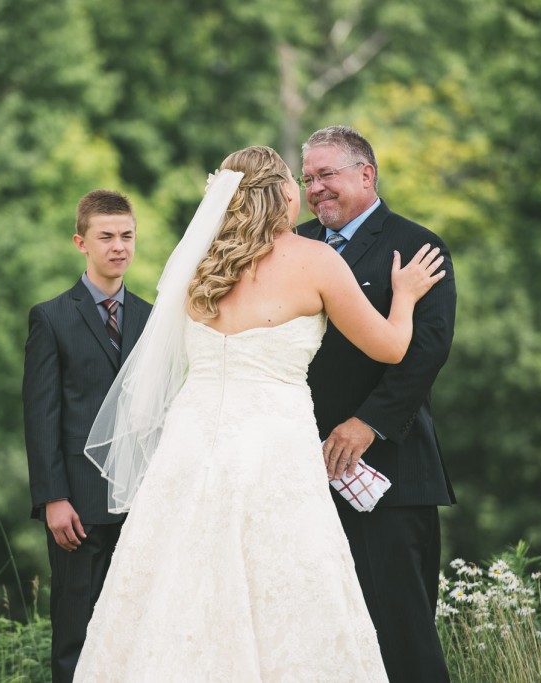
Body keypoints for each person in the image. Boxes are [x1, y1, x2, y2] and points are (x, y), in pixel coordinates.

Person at [73, 146, 445, 681]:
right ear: (281, 194)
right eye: (298, 179)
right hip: (274, 448)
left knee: (181, 581)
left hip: (191, 447)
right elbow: (389, 347)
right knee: (288, 583)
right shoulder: (315, 260)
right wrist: (404, 296)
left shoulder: (199, 265)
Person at [297, 125, 457, 682]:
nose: (315, 188)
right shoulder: (294, 246)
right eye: (308, 178)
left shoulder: (415, 245)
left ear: (366, 174)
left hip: (389, 472)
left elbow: (427, 350)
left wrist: (367, 423)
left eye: (327, 174)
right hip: (300, 475)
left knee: (400, 634)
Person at [22, 189, 153, 683]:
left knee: (135, 634)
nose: (118, 246)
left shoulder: (151, 317)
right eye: (106, 237)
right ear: (81, 241)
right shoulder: (50, 318)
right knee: (75, 636)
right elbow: (41, 416)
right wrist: (52, 497)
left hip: (140, 505)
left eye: (127, 235)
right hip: (75, 507)